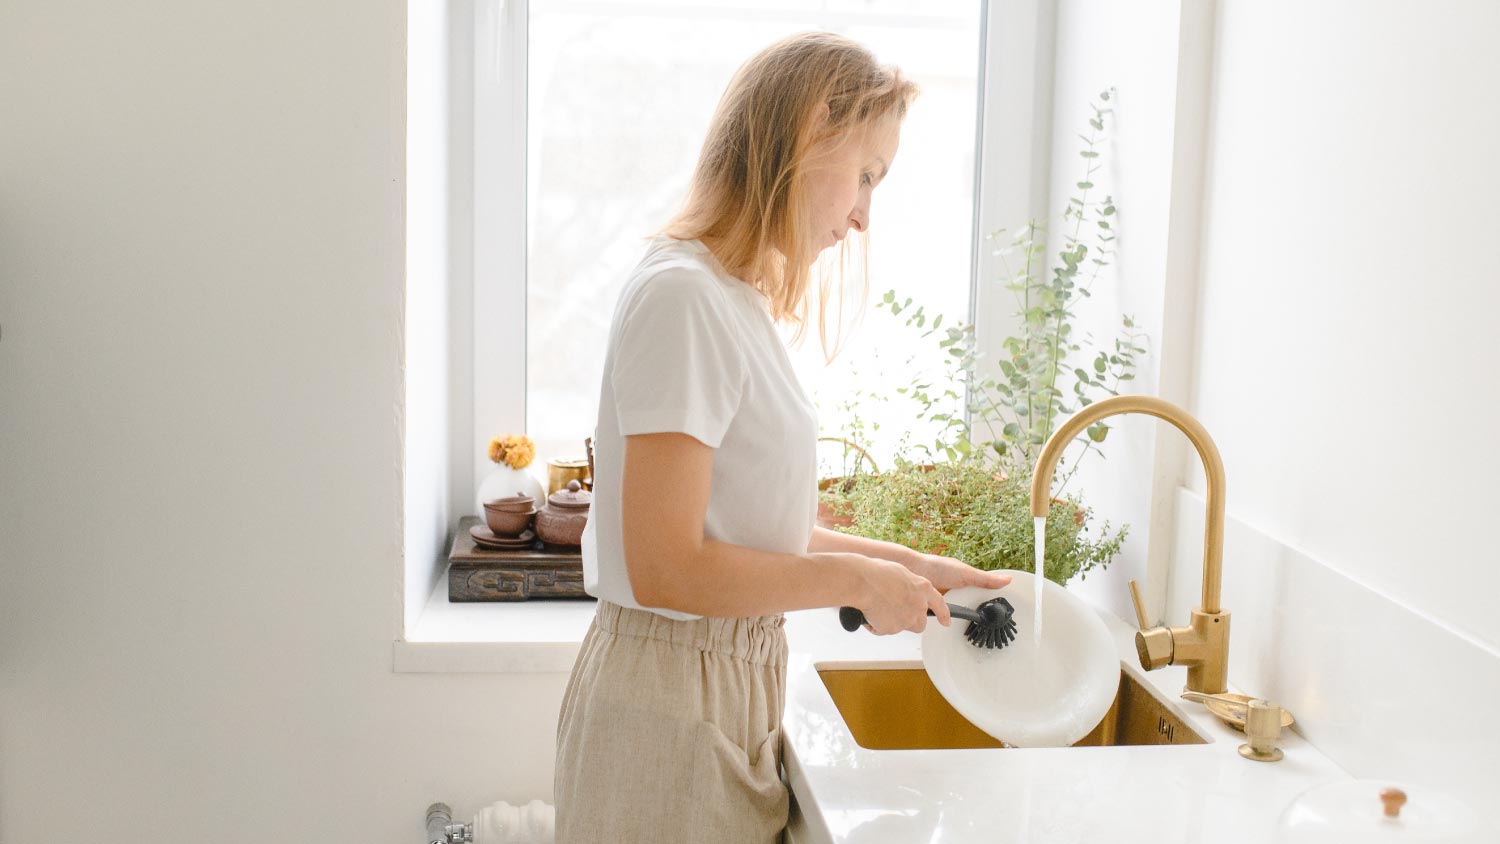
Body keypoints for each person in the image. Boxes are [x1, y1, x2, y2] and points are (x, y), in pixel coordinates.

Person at [554, 31, 1010, 844]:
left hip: (714, 693)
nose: (865, 215)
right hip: (670, 700)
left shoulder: (728, 299)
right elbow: (666, 566)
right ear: (810, 129)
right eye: (866, 175)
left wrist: (909, 567)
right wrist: (854, 582)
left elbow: (743, 532)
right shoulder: (683, 299)